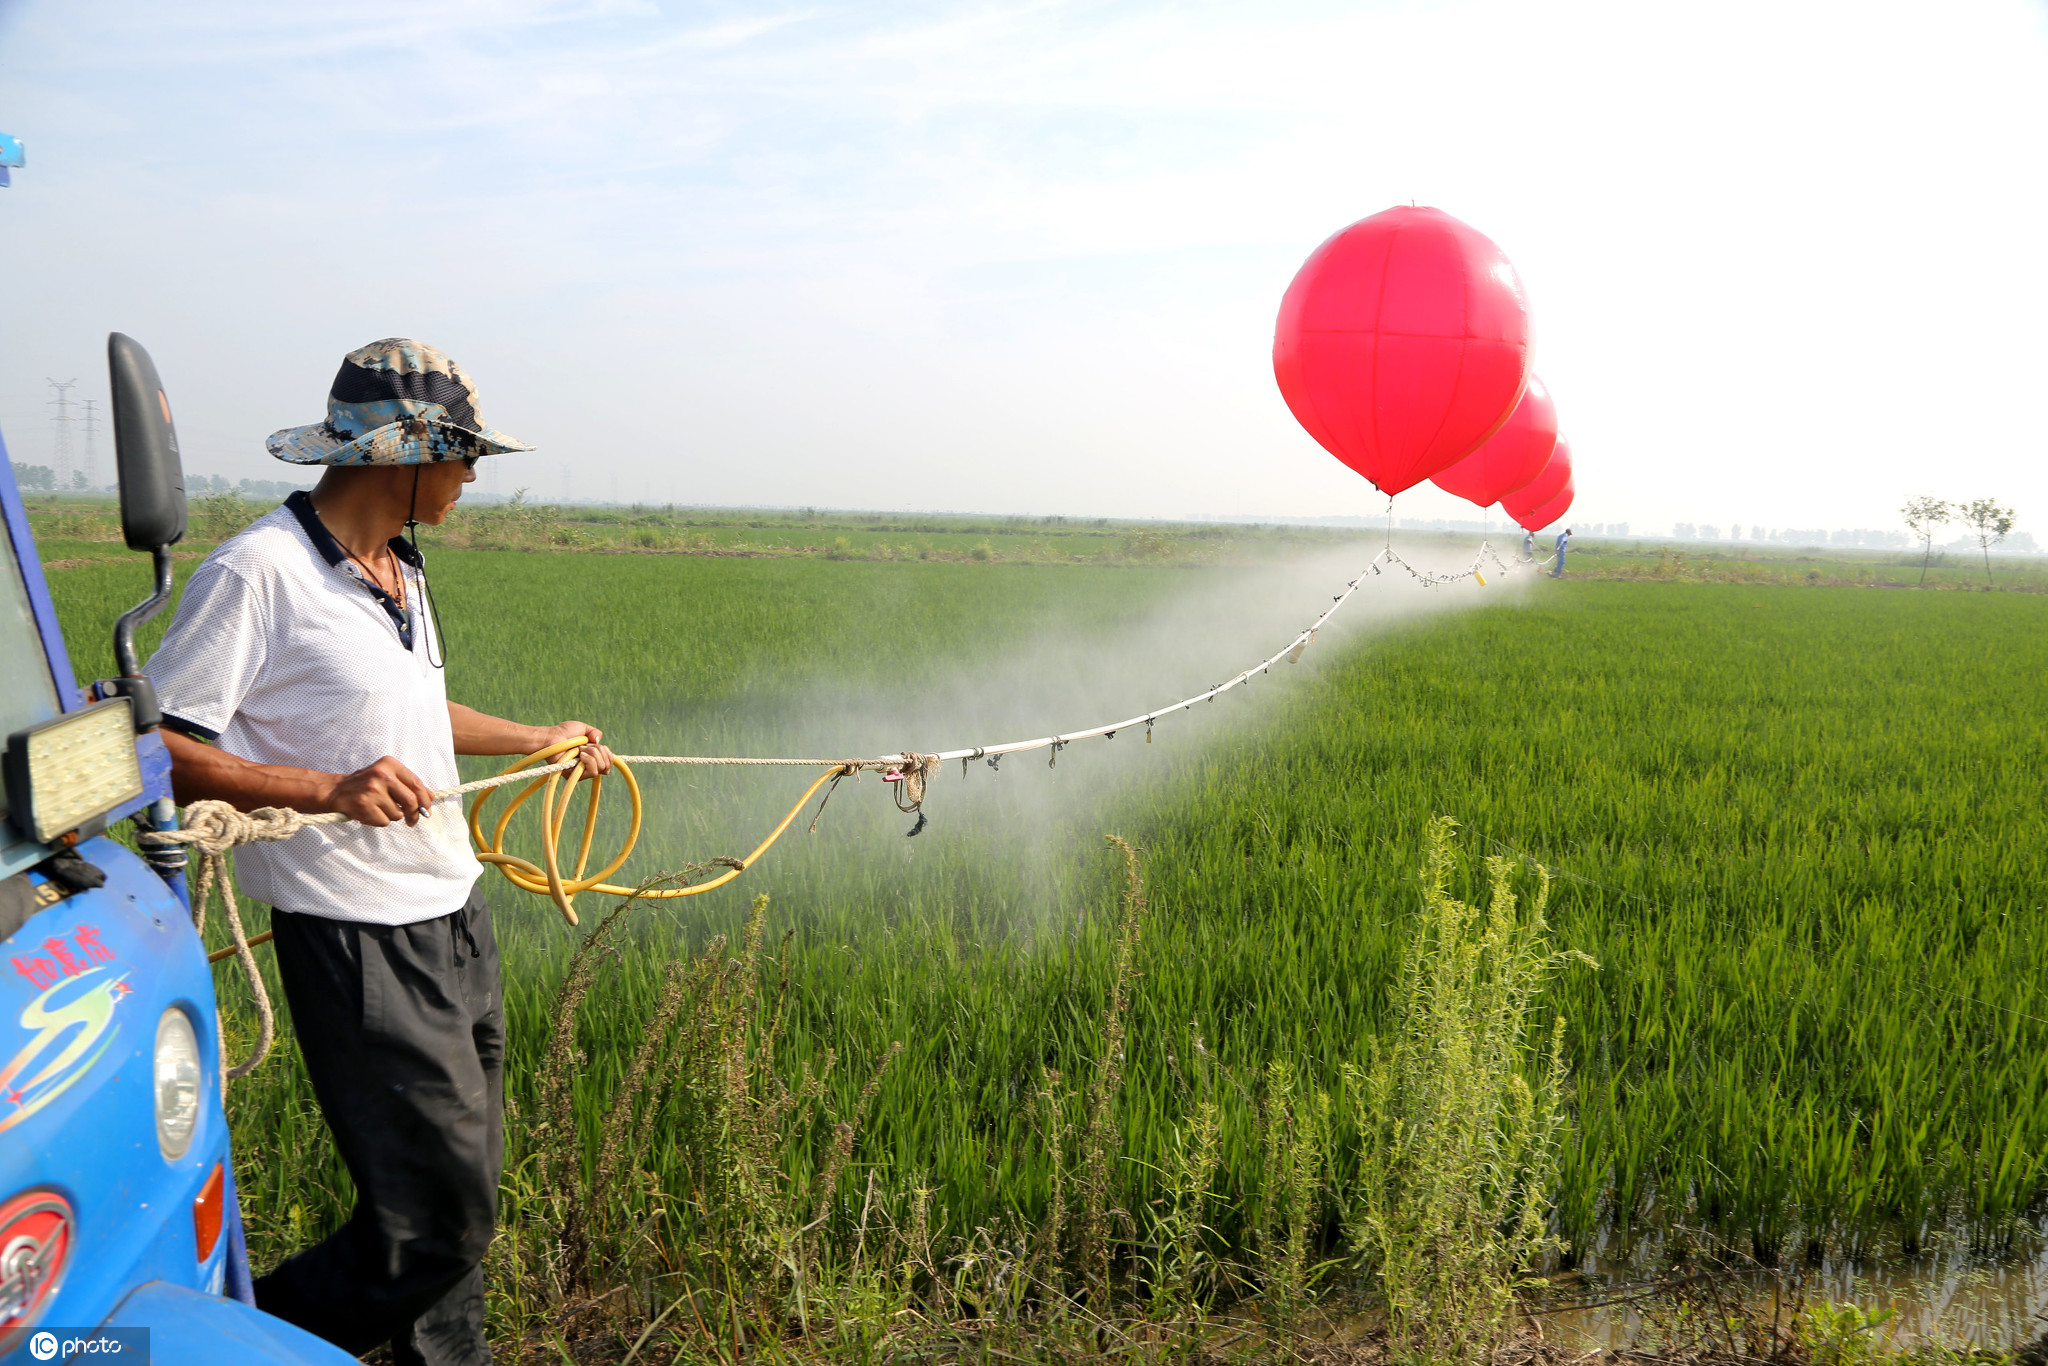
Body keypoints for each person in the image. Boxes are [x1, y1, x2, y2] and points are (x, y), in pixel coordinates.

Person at [145, 339, 613, 1366]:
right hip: (359, 942)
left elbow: (411, 715)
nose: (471, 477)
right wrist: (327, 789)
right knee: (436, 1222)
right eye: (459, 455)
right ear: (400, 455)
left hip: (453, 916)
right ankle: (220, 1346)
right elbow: (163, 742)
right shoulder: (260, 571)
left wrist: (535, 736)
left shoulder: (400, 568)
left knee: (459, 1204)